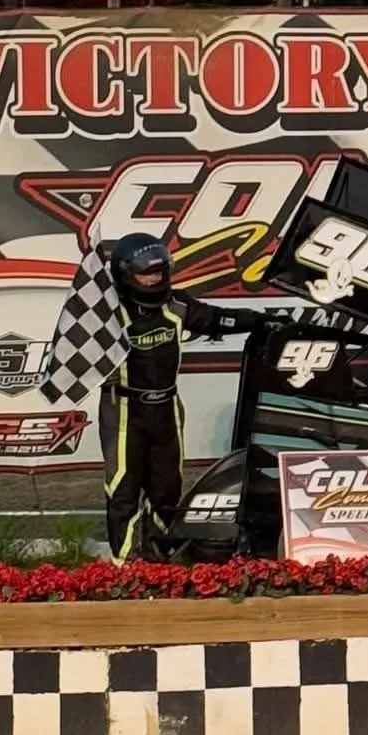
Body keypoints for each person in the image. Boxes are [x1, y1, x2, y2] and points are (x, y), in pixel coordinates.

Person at [102, 232, 269, 563]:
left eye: (159, 271)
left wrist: (262, 321)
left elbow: (218, 318)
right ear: (125, 273)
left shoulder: (176, 305)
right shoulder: (107, 312)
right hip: (123, 409)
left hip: (167, 407)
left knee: (167, 488)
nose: (154, 279)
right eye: (146, 273)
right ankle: (123, 565)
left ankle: (158, 554)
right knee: (123, 488)